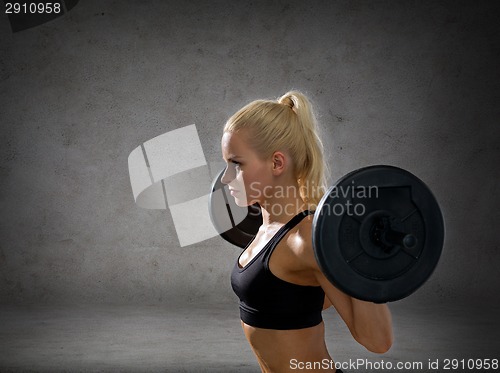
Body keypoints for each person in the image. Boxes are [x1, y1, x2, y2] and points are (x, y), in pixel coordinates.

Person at [220, 91, 393, 373]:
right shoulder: (268, 230)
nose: (226, 177)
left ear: (277, 163)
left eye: (236, 164)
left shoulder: (309, 238)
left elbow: (378, 341)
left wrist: (364, 258)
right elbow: (306, 300)